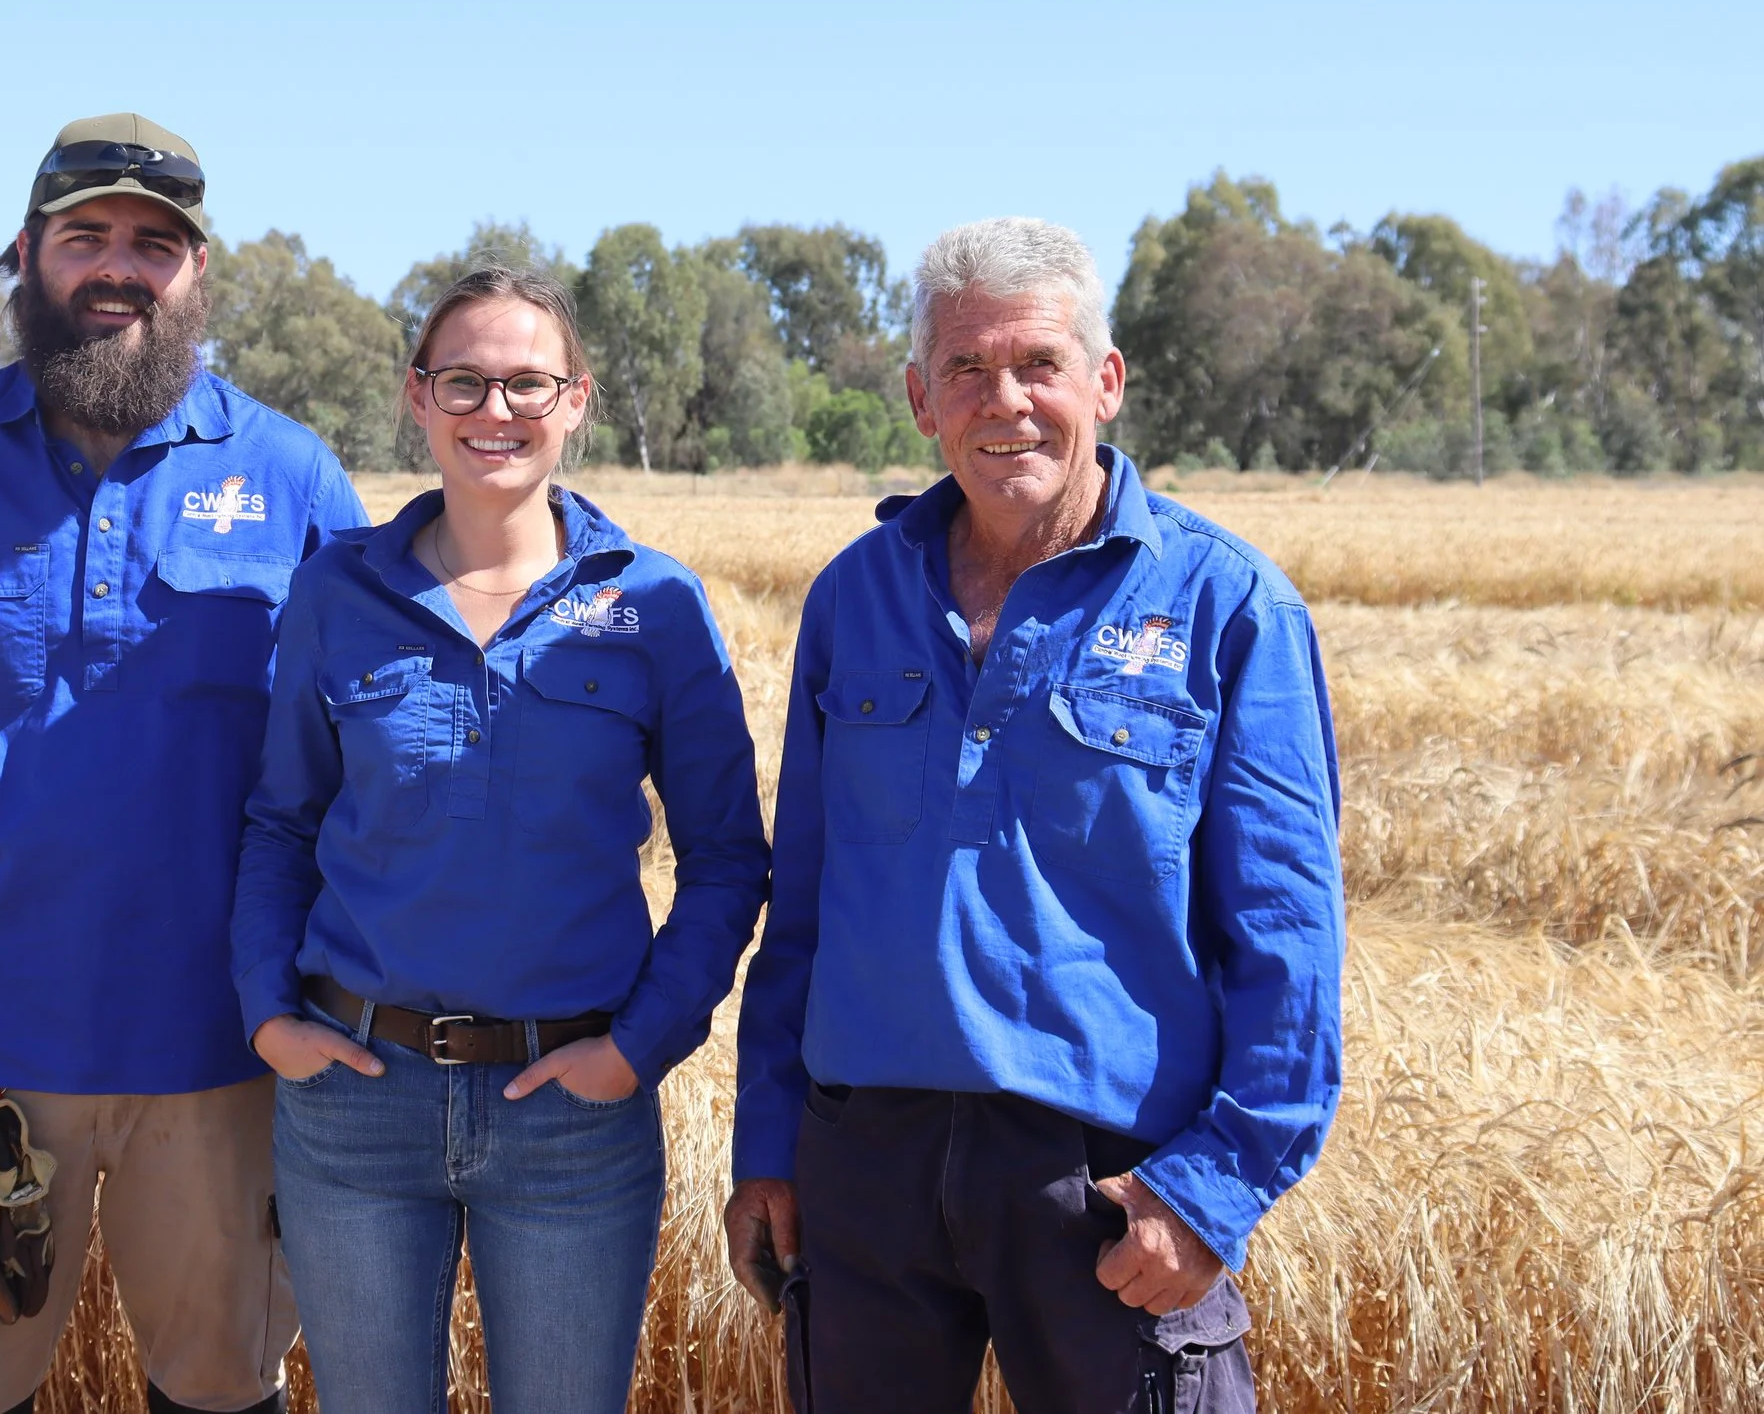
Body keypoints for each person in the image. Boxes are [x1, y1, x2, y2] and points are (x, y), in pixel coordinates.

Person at [0, 114, 367, 1414]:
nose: (118, 266)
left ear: (199, 270)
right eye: (86, 235)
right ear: (26, 251)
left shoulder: (290, 476)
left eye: (154, 243)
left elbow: (353, 735)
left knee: (223, 1384)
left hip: (222, 1039)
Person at [726, 217, 1345, 1414]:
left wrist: (1214, 1188)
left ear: (1103, 381)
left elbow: (1289, 939)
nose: (1002, 400)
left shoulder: (1226, 604)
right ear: (920, 397)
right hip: (866, 1164)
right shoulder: (855, 596)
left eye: (1037, 364)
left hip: (1110, 1181)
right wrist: (766, 1144)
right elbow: (800, 906)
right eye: (964, 367)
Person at [231, 264, 772, 1414]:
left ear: (575, 400)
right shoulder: (336, 592)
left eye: (527, 382)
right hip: (354, 1103)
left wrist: (638, 1047)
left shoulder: (655, 605)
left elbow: (728, 856)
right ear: (417, 396)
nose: (496, 409)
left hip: (572, 1114)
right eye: (464, 381)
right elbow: (282, 821)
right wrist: (269, 1014)